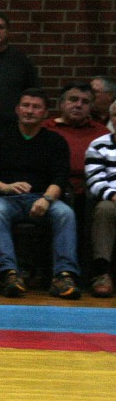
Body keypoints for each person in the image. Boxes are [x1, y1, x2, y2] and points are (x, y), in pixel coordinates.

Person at [0, 89, 80, 299]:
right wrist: (5, 187)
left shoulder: (55, 141)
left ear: (45, 113)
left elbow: (61, 177)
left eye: (36, 107)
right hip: (6, 199)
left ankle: (63, 275)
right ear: (17, 109)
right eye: (26, 106)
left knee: (65, 213)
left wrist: (47, 199)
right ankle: (9, 273)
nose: (30, 111)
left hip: (44, 199)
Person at [42, 83, 108, 196]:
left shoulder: (102, 133)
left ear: (91, 107)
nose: (78, 105)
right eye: (73, 99)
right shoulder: (44, 129)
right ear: (61, 103)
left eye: (85, 102)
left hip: (92, 192)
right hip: (49, 189)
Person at [84, 101, 116, 297]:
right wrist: (113, 195)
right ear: (112, 119)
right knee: (105, 209)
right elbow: (95, 180)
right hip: (111, 200)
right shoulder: (98, 145)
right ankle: (102, 273)